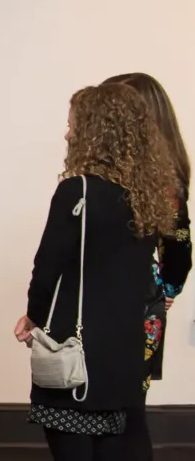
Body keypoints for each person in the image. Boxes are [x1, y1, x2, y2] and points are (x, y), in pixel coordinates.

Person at [14, 83, 183, 461]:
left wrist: (33, 319)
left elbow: (46, 270)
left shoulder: (78, 191)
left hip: (76, 352)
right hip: (125, 349)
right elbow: (163, 262)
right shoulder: (150, 196)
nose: (67, 132)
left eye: (73, 123)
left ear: (95, 133)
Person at [102, 72, 192, 457]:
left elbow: (180, 250)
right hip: (136, 306)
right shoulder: (145, 176)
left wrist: (164, 291)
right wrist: (164, 291)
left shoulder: (158, 181)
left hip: (129, 309)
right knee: (122, 410)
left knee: (123, 413)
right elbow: (180, 254)